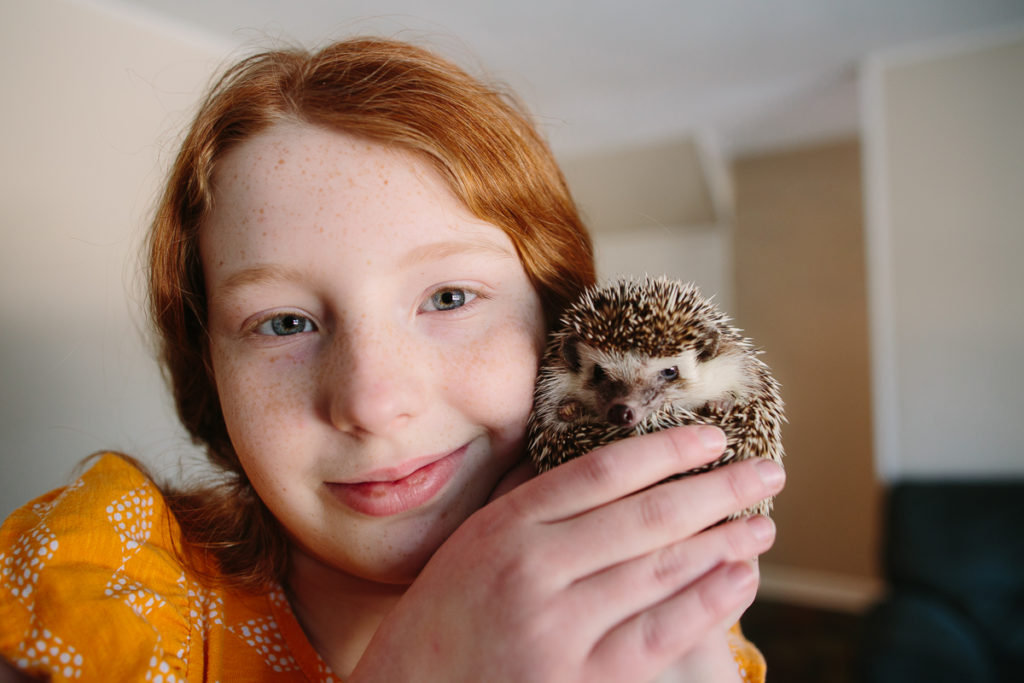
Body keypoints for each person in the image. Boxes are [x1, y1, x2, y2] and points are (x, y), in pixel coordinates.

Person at [0, 37, 784, 682]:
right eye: (283, 321)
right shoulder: (100, 568)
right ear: (209, 369)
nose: (371, 401)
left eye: (448, 298)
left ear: (556, 330)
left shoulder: (678, 616)